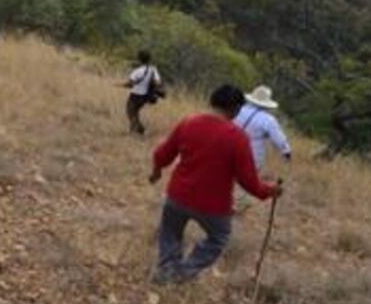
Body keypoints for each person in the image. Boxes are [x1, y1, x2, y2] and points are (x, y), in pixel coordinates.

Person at [149, 84, 282, 283]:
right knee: (219, 238)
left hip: (178, 196)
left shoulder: (189, 123)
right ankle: (182, 272)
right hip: (213, 205)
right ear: (236, 108)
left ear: (212, 101)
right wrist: (270, 190)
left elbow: (162, 153)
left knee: (170, 232)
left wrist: (156, 171)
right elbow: (249, 182)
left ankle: (167, 269)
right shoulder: (237, 138)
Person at [233, 85, 292, 212]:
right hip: (252, 152)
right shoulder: (269, 120)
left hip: (230, 145)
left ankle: (224, 199)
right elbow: (278, 138)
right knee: (249, 179)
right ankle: (238, 204)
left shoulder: (238, 109)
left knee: (227, 175)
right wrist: (286, 151)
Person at [124, 50, 163, 135]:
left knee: (130, 112)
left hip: (135, 95)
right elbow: (158, 82)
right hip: (145, 97)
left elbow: (130, 83)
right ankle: (135, 129)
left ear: (139, 59)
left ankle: (139, 129)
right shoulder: (153, 69)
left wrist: (126, 85)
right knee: (135, 112)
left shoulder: (137, 71)